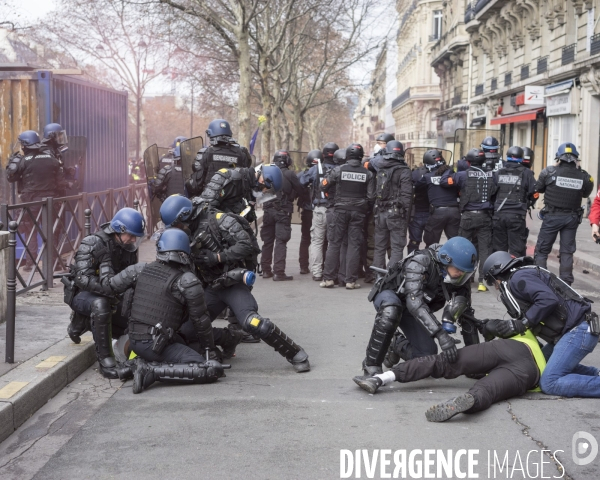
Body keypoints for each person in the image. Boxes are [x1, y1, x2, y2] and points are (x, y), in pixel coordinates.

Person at [160, 195, 311, 372]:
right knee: (188, 330)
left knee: (253, 322)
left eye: (177, 225)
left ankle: (296, 354)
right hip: (210, 287)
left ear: (185, 216)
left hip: (232, 283)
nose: (177, 229)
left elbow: (246, 245)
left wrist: (217, 257)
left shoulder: (219, 220)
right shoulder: (186, 234)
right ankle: (229, 339)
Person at [108, 228, 227, 393]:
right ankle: (151, 372)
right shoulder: (186, 281)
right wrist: (209, 351)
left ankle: (133, 366)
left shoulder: (140, 269)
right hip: (155, 344)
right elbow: (201, 322)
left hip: (134, 339)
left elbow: (111, 285)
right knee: (208, 369)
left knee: (189, 347)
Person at [353, 331, 545, 422]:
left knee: (443, 361)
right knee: (487, 390)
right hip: (531, 373)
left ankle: (381, 378)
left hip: (515, 345)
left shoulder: (529, 333)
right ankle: (468, 400)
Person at [482, 251, 600, 398]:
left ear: (498, 274)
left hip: (578, 331)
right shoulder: (520, 277)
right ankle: (595, 374)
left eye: (493, 283)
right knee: (538, 365)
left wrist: (524, 323)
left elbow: (547, 300)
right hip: (571, 332)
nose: (496, 288)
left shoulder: (518, 278)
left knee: (549, 382)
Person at [361, 236, 476, 376]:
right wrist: (441, 335)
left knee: (426, 357)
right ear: (446, 261)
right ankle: (371, 365)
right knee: (391, 310)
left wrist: (476, 362)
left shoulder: (459, 277)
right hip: (391, 297)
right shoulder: (422, 261)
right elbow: (414, 303)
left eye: (465, 273)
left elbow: (467, 316)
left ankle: (396, 344)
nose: (461, 275)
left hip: (412, 310)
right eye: (459, 270)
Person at [63, 208, 145, 378]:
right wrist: (110, 289)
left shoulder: (127, 247)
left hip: (110, 293)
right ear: (119, 229)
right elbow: (82, 279)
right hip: (83, 295)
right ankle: (107, 364)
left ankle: (87, 324)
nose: (133, 239)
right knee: (100, 304)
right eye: (130, 235)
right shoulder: (94, 242)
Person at [6, 129, 67, 271]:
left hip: (31, 202)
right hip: (51, 201)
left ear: (25, 145)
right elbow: (61, 183)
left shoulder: (24, 161)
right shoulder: (51, 158)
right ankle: (52, 264)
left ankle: (30, 263)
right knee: (51, 232)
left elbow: (11, 177)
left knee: (30, 230)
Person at [533, 143, 594, 285]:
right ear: (575, 159)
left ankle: (541, 280)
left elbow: (539, 189)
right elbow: (586, 193)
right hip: (572, 218)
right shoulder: (585, 177)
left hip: (552, 217)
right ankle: (566, 283)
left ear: (558, 158)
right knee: (567, 251)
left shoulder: (548, 172)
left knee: (542, 250)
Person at [320, 144, 375, 290]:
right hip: (358, 212)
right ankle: (350, 281)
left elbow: (323, 185)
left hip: (340, 210)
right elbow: (371, 197)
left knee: (334, 243)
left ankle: (328, 279)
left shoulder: (338, 170)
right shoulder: (367, 174)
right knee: (354, 245)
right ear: (361, 155)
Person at [443, 148, 495, 292]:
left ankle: (459, 278)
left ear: (468, 161)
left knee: (461, 247)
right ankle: (482, 282)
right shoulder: (491, 175)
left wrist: (450, 168)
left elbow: (445, 182)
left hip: (468, 216)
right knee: (485, 249)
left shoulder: (462, 175)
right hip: (485, 216)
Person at [260, 150, 309, 281]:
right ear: (287, 161)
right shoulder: (290, 174)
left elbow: (258, 190)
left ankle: (265, 270)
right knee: (281, 241)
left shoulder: (265, 171)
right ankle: (278, 272)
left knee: (267, 241)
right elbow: (301, 190)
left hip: (268, 210)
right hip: (282, 211)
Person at [372, 140, 412, 269]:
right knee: (397, 248)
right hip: (396, 213)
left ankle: (378, 277)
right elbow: (407, 196)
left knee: (379, 247)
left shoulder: (380, 167)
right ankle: (391, 278)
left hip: (380, 212)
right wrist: (407, 216)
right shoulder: (404, 170)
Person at [491, 146, 536, 259]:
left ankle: (500, 275)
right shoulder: (527, 173)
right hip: (517, 216)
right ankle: (514, 274)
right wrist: (529, 202)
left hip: (499, 215)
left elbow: (491, 193)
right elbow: (535, 193)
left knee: (499, 250)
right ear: (521, 158)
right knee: (516, 251)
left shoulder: (498, 172)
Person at [299, 148, 336, 281]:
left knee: (317, 242)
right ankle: (331, 272)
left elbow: (301, 181)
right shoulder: (341, 168)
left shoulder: (316, 169)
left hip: (320, 209)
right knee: (333, 242)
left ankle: (317, 272)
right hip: (335, 210)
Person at [186, 119, 251, 195]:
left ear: (210, 134)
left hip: (211, 202)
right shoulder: (242, 153)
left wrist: (187, 183)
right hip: (236, 204)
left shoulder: (205, 153)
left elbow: (195, 186)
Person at [417, 149, 460, 246]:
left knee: (431, 243)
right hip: (454, 211)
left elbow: (416, 188)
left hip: (438, 212)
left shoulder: (427, 177)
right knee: (455, 244)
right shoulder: (452, 174)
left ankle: (432, 261)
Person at [297, 151, 318, 275]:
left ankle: (303, 266)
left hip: (307, 211)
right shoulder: (324, 173)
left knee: (305, 239)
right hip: (320, 209)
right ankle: (322, 265)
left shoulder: (302, 175)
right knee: (322, 240)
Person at [407, 160, 429, 254]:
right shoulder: (434, 174)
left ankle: (411, 265)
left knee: (414, 242)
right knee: (431, 243)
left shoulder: (414, 173)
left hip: (416, 212)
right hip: (430, 212)